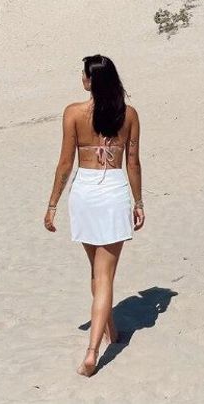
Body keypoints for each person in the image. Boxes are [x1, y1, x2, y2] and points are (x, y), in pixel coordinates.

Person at [44, 55, 145, 377]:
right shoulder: (128, 115)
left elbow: (64, 163)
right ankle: (93, 351)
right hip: (113, 192)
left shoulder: (73, 113)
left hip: (85, 192)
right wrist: (139, 202)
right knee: (104, 275)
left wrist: (52, 204)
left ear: (92, 80)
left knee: (96, 271)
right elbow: (133, 163)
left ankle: (110, 335)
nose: (81, 78)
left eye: (84, 74)